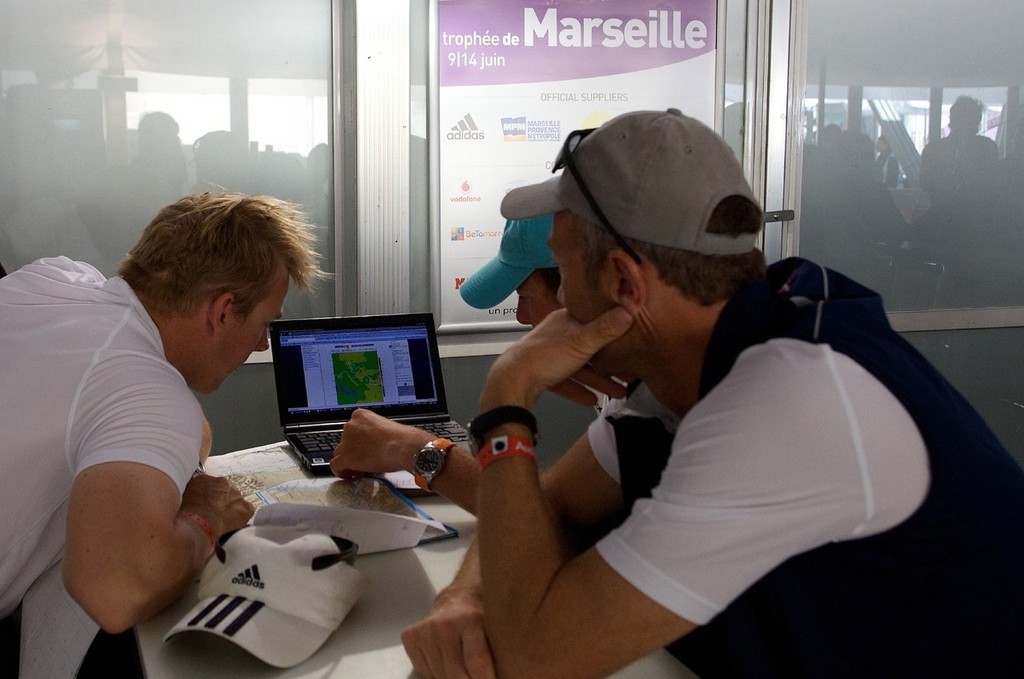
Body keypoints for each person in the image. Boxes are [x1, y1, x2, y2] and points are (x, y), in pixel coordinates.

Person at [400, 109, 1024, 678]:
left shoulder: (788, 402)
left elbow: (536, 653)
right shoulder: (696, 363)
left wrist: (508, 393)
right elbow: (554, 509)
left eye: (561, 272)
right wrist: (468, 594)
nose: (557, 303)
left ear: (623, 281)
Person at [0, 191, 325, 674]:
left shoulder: (58, 278)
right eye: (263, 324)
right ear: (221, 311)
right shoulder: (143, 385)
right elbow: (113, 591)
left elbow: (185, 426)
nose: (261, 345)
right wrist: (205, 514)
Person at [328, 215, 627, 513]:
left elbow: (538, 524)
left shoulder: (657, 407)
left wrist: (411, 448)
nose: (522, 316)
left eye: (527, 297)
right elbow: (553, 510)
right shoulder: (629, 393)